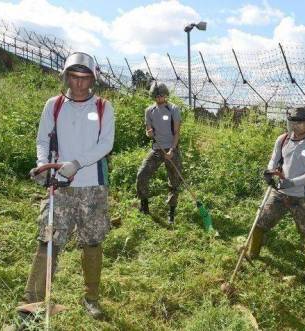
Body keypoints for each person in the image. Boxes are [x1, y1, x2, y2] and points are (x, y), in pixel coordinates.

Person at [23, 52, 115, 319]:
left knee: (93, 241)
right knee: (48, 239)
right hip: (59, 186)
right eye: (74, 77)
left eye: (85, 78)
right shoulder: (54, 105)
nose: (79, 84)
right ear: (66, 77)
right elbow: (43, 139)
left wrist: (77, 163)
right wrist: (43, 165)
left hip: (93, 186)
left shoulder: (103, 107)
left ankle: (92, 297)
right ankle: (32, 303)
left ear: (93, 80)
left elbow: (106, 144)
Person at [247, 107, 305, 283]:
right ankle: (252, 252)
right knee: (261, 221)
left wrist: (293, 182)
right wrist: (269, 173)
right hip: (280, 192)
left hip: (304, 195)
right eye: (292, 122)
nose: (295, 126)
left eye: (299, 123)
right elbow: (274, 160)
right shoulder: (282, 140)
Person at [136, 82, 182, 224]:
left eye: (161, 95)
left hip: (171, 149)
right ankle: (144, 206)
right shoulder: (149, 111)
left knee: (174, 181)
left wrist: (172, 150)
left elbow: (176, 132)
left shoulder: (173, 109)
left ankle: (171, 212)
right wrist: (149, 133)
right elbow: (148, 131)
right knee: (142, 175)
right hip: (156, 149)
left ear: (166, 95)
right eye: (156, 96)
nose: (159, 98)